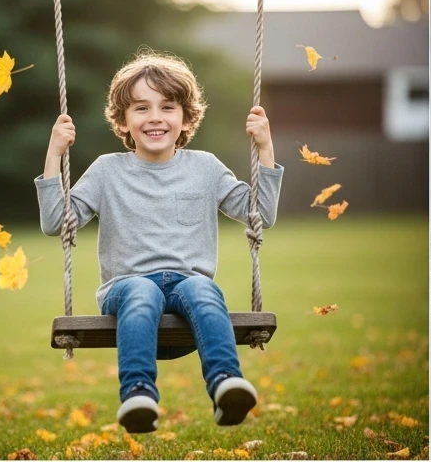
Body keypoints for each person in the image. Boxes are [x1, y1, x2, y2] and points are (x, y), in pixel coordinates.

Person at [35, 51, 282, 434]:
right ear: (123, 120)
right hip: (126, 291)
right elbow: (56, 222)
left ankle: (226, 385)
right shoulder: (107, 171)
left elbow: (260, 214)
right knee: (141, 290)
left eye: (167, 107)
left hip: (188, 299)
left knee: (204, 288)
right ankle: (138, 394)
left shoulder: (205, 167)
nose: (155, 117)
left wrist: (265, 149)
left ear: (186, 118)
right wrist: (54, 153)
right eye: (141, 108)